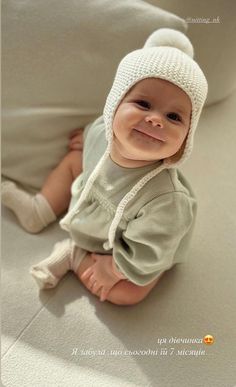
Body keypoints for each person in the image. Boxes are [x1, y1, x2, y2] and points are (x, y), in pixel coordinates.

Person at [1, 28, 208, 305]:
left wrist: (112, 270)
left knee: (127, 295)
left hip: (127, 246)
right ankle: (41, 208)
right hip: (94, 195)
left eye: (173, 116)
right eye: (144, 103)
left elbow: (150, 251)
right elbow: (95, 129)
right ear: (114, 106)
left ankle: (75, 256)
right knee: (75, 160)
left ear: (186, 139)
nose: (156, 120)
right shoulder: (100, 132)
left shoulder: (167, 201)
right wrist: (86, 140)